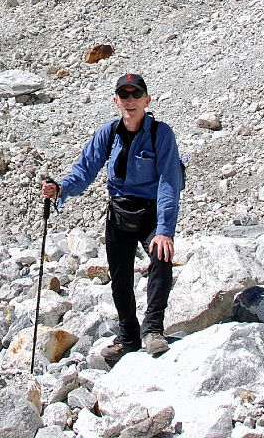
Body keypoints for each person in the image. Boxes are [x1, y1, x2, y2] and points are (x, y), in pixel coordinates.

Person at [40, 73, 183, 364]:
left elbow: (170, 181)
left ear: (147, 100)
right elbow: (86, 168)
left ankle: (153, 329)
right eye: (124, 95)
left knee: (161, 259)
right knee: (119, 278)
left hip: (151, 212)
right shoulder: (109, 133)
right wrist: (62, 188)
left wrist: (165, 230)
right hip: (119, 212)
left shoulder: (161, 134)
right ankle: (129, 337)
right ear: (116, 100)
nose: (130, 101)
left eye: (136, 94)